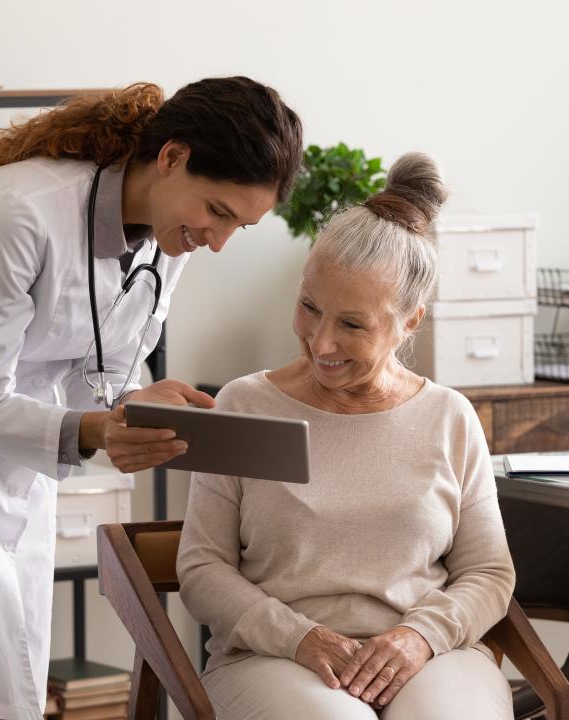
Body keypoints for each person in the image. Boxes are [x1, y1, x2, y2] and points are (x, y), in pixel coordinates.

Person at [0, 78, 303, 720]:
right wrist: (103, 429)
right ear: (172, 157)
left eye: (237, 226)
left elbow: (97, 374)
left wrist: (138, 403)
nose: (216, 240)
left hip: (19, 455)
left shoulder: (166, 239)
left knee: (0, 682)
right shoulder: (18, 212)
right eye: (216, 211)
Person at [177, 153, 516, 719]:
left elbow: (489, 572)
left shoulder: (449, 418)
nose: (322, 342)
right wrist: (298, 637)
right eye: (310, 307)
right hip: (272, 660)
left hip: (428, 656)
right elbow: (202, 569)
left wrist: (419, 637)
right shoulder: (244, 405)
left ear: (410, 321)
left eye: (353, 324)